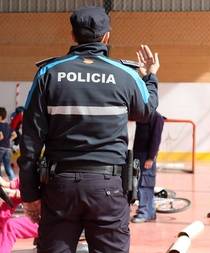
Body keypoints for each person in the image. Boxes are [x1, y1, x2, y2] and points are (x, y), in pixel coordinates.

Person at [17, 6, 159, 253]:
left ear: (73, 35)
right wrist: (150, 78)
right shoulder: (126, 75)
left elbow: (30, 139)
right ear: (106, 37)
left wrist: (30, 195)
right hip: (109, 188)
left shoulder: (48, 73)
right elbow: (146, 111)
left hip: (60, 187)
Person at [132, 111, 165, 223]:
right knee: (141, 184)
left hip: (146, 155)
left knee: (144, 184)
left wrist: (151, 157)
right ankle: (150, 211)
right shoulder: (142, 116)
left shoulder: (156, 117)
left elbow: (156, 139)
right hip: (138, 154)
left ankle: (144, 212)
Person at [0, 177, 38, 253]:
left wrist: (17, 192)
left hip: (50, 218)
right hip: (38, 212)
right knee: (3, 215)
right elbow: (27, 174)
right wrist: (9, 185)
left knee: (10, 226)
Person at [0, 107, 17, 180]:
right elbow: (15, 135)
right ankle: (13, 180)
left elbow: (1, 137)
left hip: (0, 148)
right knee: (7, 166)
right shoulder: (8, 125)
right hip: (8, 148)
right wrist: (9, 140)